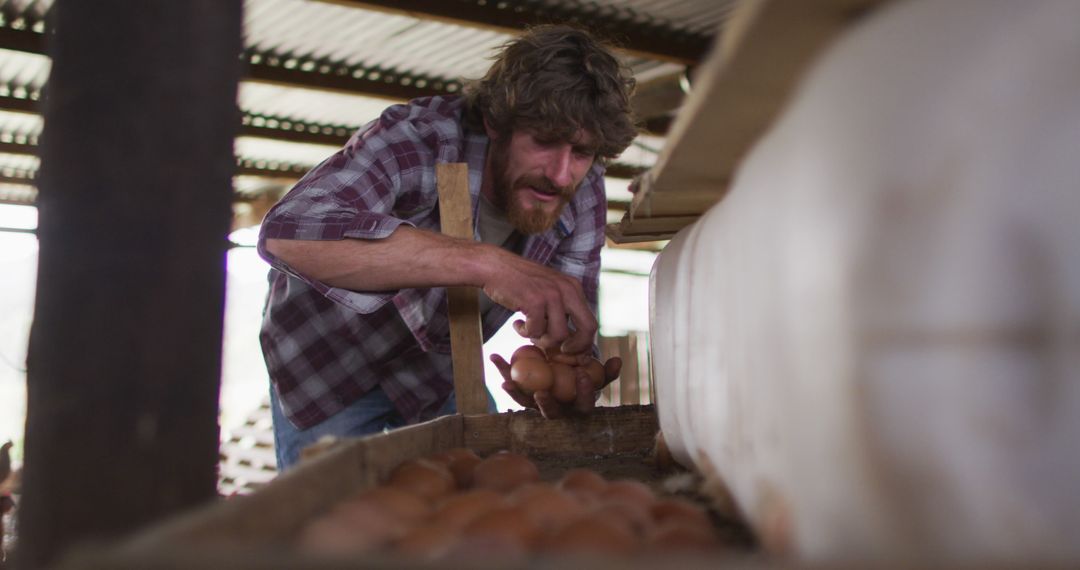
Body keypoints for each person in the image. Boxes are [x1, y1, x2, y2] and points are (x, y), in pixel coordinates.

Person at [257, 25, 637, 470]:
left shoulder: (582, 187)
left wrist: (563, 374)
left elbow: (571, 325)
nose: (560, 173)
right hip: (328, 364)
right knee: (330, 524)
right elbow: (288, 232)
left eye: (582, 151)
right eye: (544, 140)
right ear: (497, 120)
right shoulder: (418, 138)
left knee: (483, 499)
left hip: (438, 372)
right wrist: (486, 264)